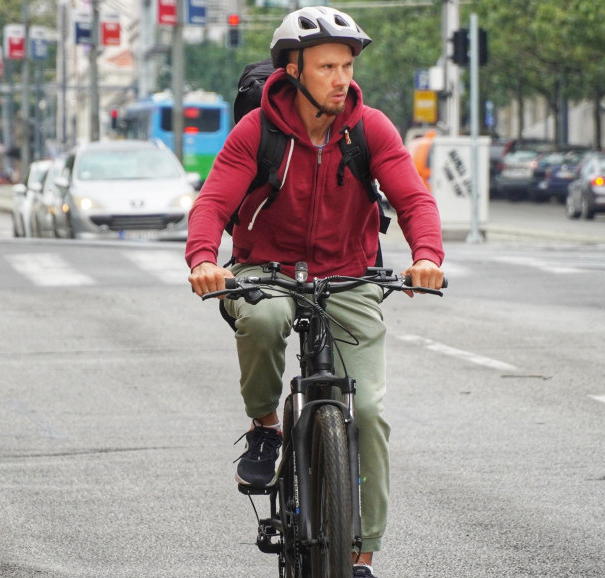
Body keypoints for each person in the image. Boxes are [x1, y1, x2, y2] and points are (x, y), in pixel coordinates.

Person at [186, 7, 445, 577]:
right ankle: (264, 430)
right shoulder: (257, 131)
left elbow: (413, 199)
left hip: (348, 274)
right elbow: (212, 203)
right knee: (261, 319)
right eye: (327, 65)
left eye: (346, 65)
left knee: (371, 411)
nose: (340, 78)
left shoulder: (369, 127)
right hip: (267, 270)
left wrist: (426, 256)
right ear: (294, 69)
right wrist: (204, 260)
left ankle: (361, 554)